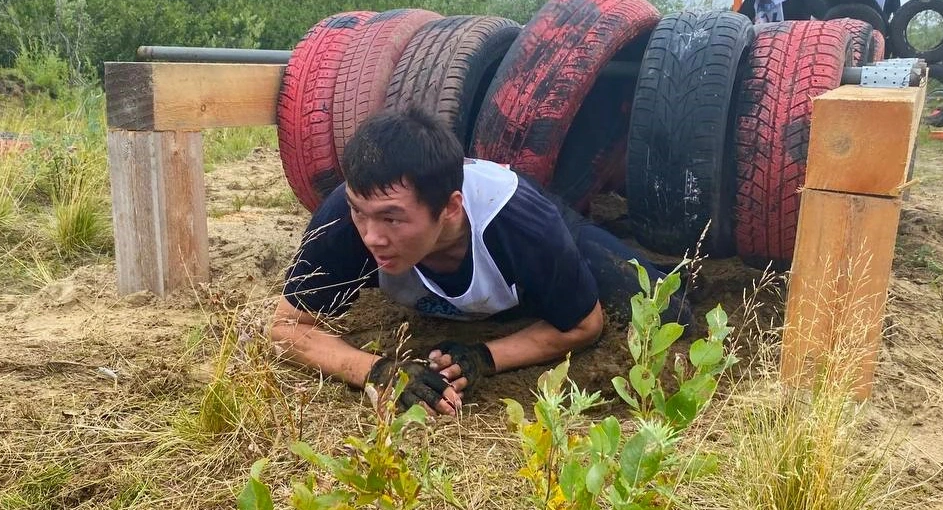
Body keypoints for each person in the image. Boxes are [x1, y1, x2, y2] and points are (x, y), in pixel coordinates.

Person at [268, 106, 693, 416]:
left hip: (544, 229)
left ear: (450, 209)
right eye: (361, 211)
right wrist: (377, 371)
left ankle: (660, 261)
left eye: (393, 218)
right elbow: (284, 326)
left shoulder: (523, 224)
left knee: (667, 306)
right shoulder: (345, 220)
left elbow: (584, 325)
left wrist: (482, 358)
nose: (371, 236)